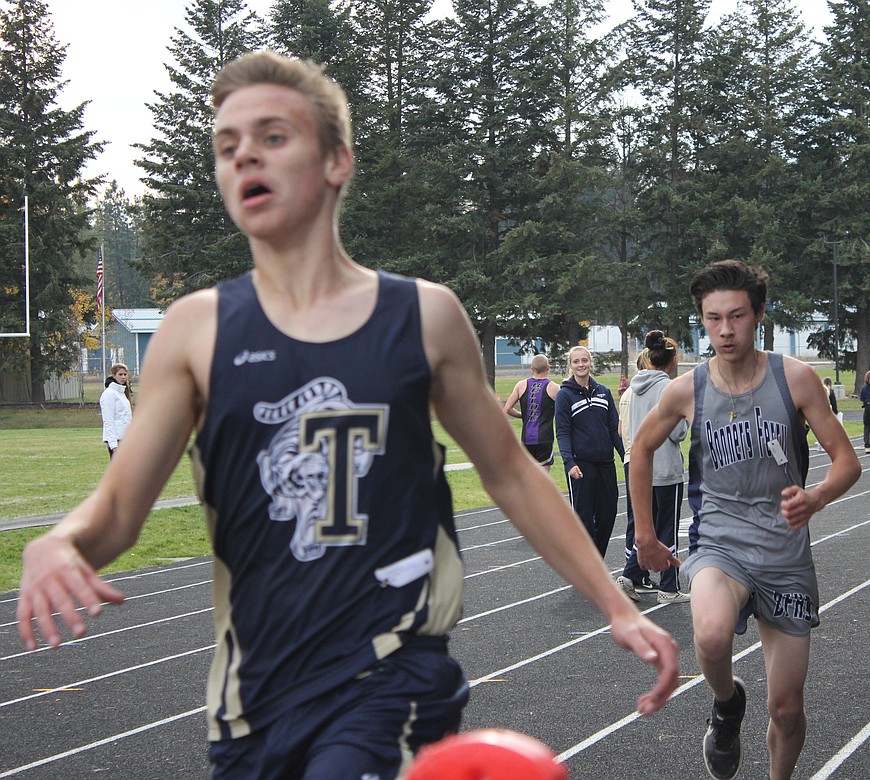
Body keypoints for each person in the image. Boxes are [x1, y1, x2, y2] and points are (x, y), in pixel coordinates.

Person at [17, 51, 677, 780]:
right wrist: (62, 541)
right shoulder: (194, 331)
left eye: (272, 136)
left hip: (391, 669)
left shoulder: (423, 317)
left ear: (337, 161)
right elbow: (118, 510)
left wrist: (616, 605)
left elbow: (512, 474)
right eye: (227, 146)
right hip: (253, 699)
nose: (244, 157)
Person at [630, 259, 861, 780]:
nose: (725, 330)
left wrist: (818, 497)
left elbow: (848, 461)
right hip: (719, 542)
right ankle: (728, 704)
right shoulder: (686, 389)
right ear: (701, 321)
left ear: (759, 315)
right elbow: (640, 449)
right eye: (713, 319)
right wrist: (645, 534)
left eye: (736, 316)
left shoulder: (795, 379)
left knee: (786, 709)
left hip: (783, 552)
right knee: (711, 636)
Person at [617, 331, 690, 605]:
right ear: (672, 360)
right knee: (666, 528)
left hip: (640, 468)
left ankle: (631, 576)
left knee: (643, 526)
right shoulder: (669, 389)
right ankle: (669, 588)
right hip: (665, 468)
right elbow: (677, 433)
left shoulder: (634, 388)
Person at [555, 345, 625, 556]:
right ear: (570, 365)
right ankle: (589, 568)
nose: (581, 365)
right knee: (584, 520)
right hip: (581, 465)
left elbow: (614, 428)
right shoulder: (564, 395)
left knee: (608, 515)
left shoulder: (603, 392)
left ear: (590, 362)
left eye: (584, 360)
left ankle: (595, 561)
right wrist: (569, 462)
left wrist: (625, 455)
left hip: (605, 463)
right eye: (576, 361)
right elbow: (563, 432)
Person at [502, 354, 558, 470]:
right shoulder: (554, 388)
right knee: (543, 478)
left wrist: (522, 415)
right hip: (545, 439)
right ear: (548, 367)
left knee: (528, 476)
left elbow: (507, 408)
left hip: (526, 439)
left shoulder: (521, 385)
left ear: (532, 369)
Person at [99, 362, 133, 458]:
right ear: (114, 375)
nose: (123, 377)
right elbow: (108, 420)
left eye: (125, 374)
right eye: (120, 374)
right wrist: (113, 445)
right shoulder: (109, 394)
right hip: (117, 439)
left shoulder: (122, 394)